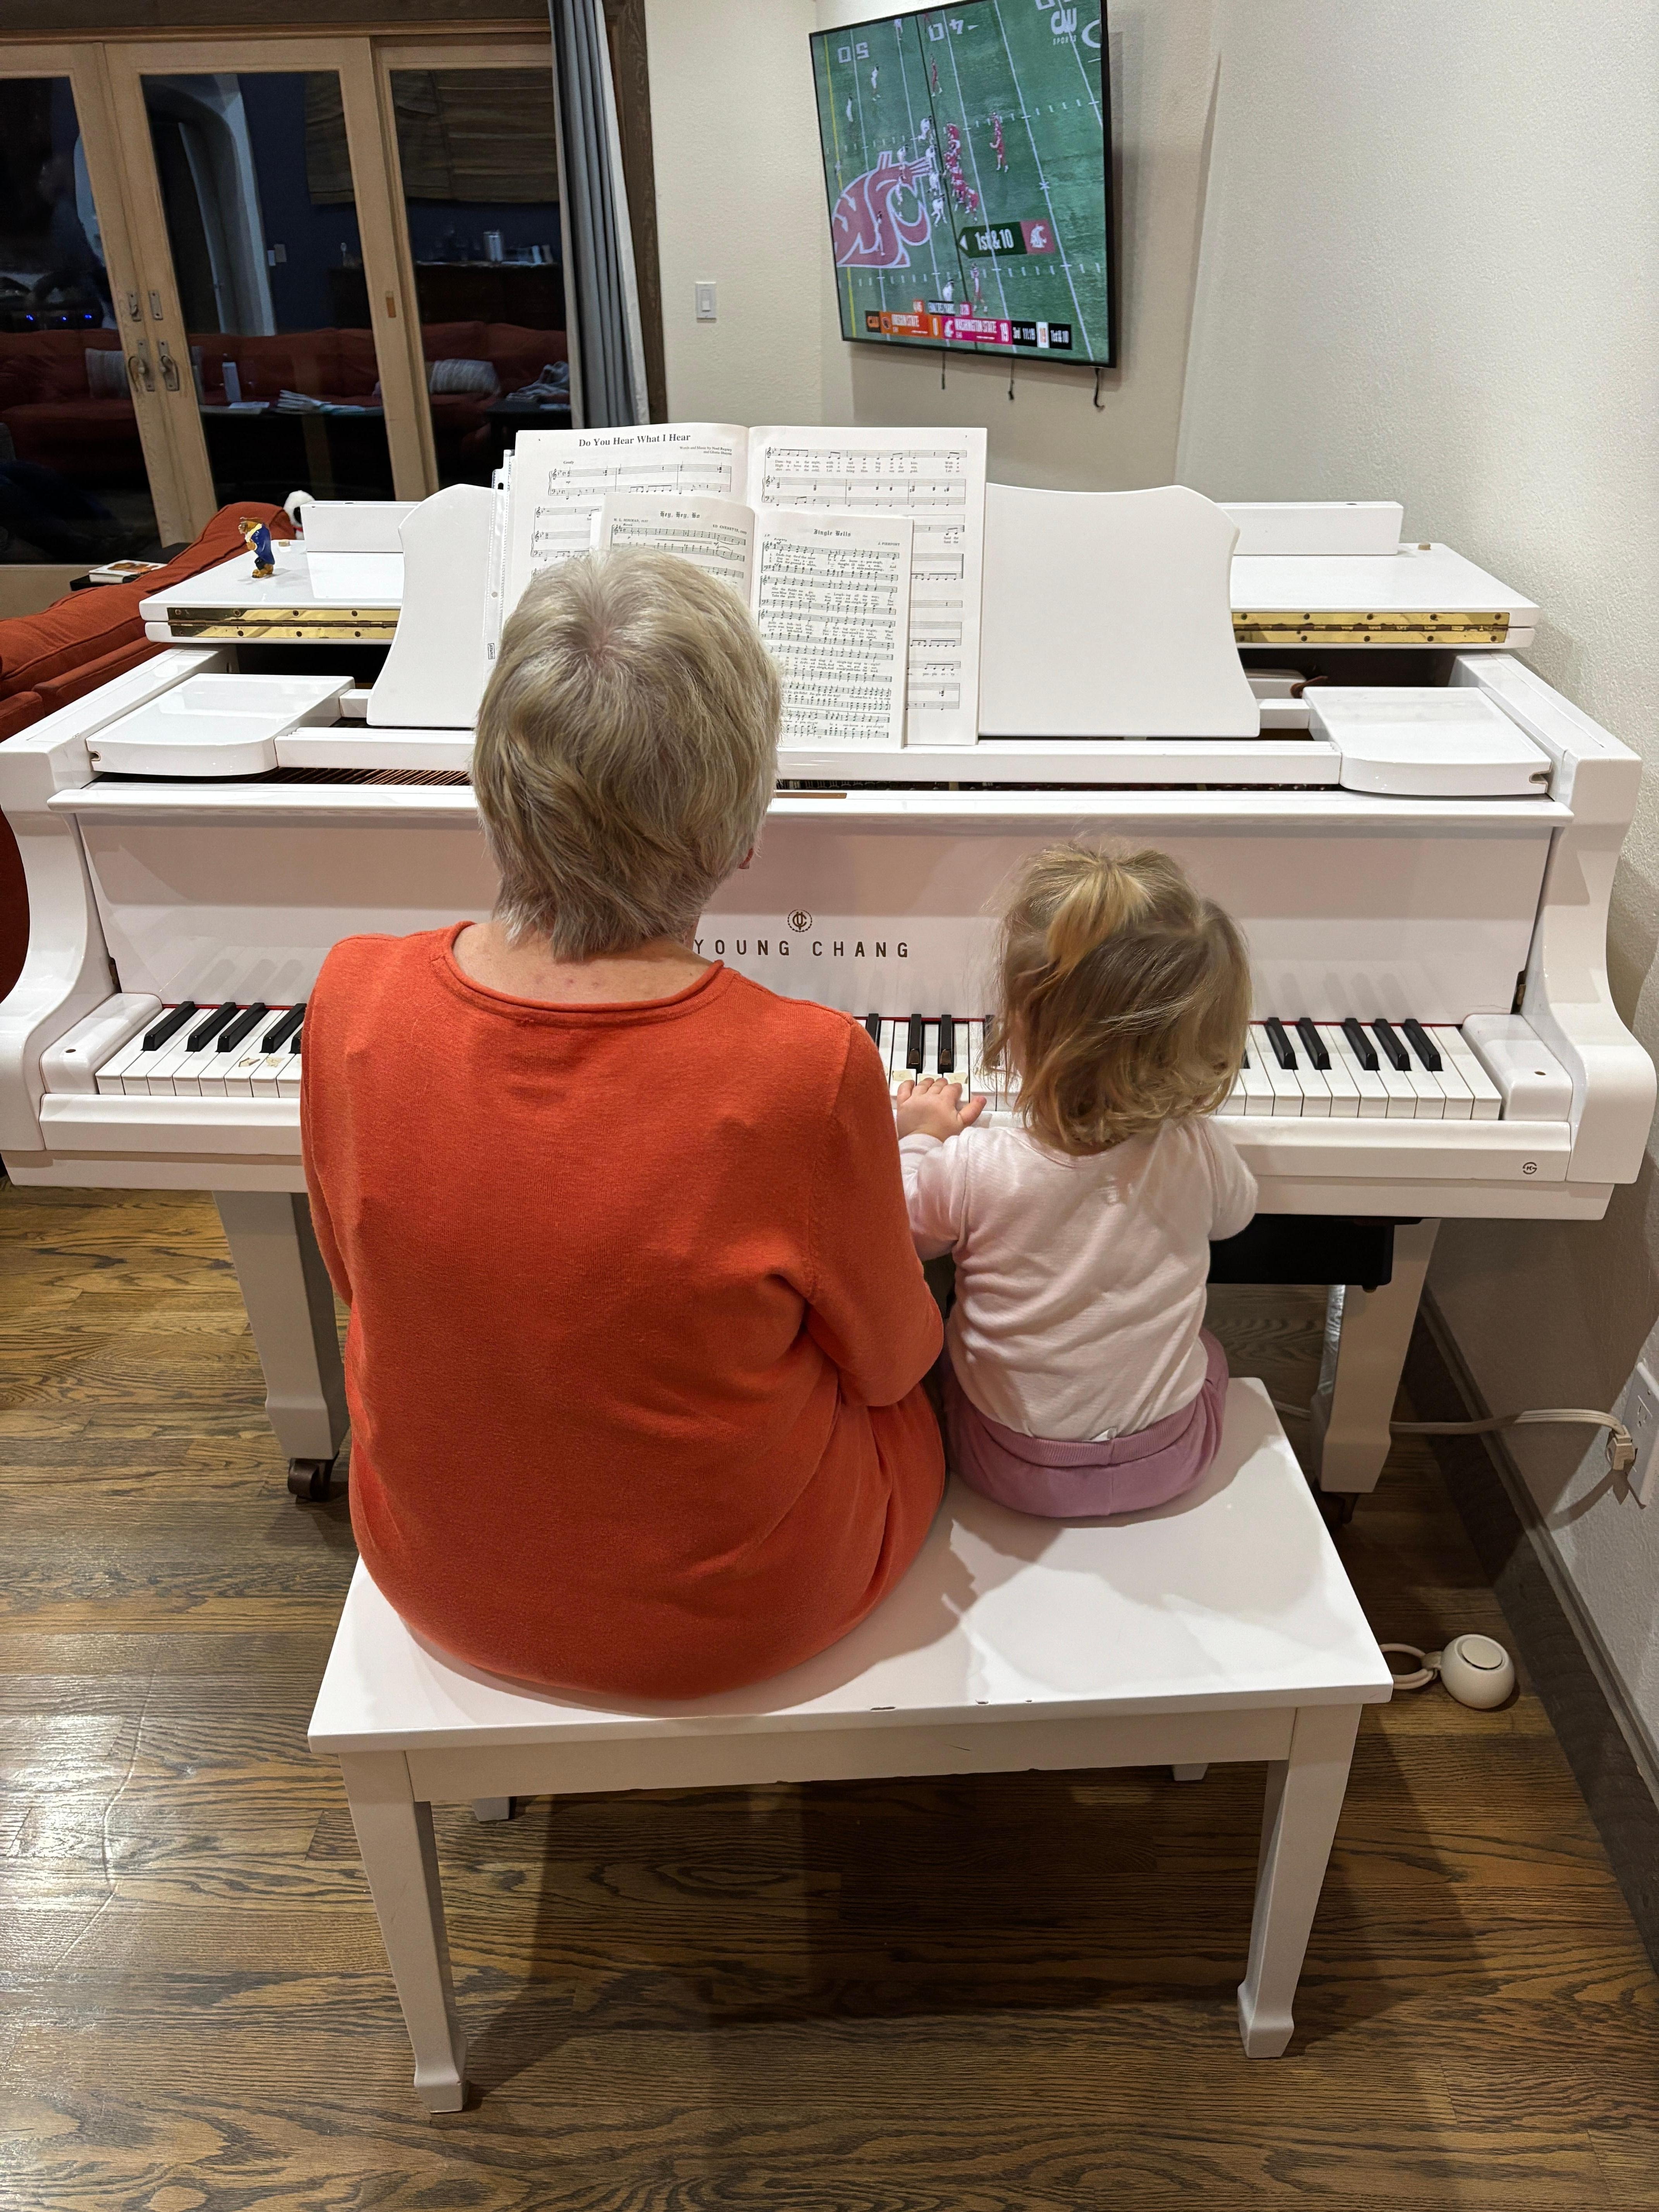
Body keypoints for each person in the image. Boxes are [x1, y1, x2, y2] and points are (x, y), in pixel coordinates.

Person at [301, 550, 945, 1699]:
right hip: (738, 1615)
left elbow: (369, 1282)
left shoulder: (352, 994)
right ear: (743, 833)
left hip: (437, 1573)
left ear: (494, 792)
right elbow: (895, 1366)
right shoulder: (805, 1066)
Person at [896, 845, 1256, 1519]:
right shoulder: (1196, 1146)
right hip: (1172, 1459)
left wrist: (919, 1135)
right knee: (1208, 1349)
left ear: (1024, 1031)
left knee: (944, 1348)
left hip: (1004, 1466)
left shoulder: (977, 1166)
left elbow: (905, 1234)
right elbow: (1235, 1218)